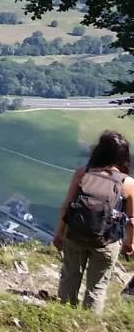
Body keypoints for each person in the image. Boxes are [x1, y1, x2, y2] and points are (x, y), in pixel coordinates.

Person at [54, 131, 134, 312]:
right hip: (107, 241)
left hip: (75, 235)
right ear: (123, 157)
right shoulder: (128, 183)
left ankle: (62, 316)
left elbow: (66, 207)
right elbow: (131, 220)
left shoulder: (82, 174)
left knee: (69, 278)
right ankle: (88, 326)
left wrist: (59, 233)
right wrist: (130, 243)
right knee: (97, 287)